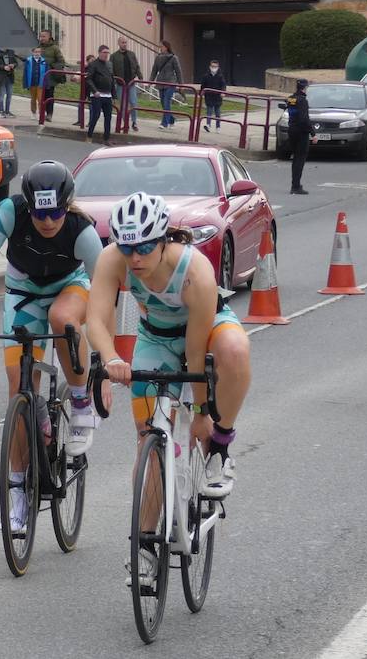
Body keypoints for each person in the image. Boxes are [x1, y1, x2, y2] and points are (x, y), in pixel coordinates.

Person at [85, 191, 252, 583]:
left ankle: (221, 448)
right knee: (150, 442)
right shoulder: (115, 260)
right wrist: (111, 359)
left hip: (204, 329)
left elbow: (195, 352)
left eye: (145, 247)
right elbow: (95, 320)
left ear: (163, 241)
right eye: (128, 247)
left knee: (234, 349)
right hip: (155, 338)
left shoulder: (195, 272)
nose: (135, 258)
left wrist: (201, 414)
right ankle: (144, 544)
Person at [0, 161, 103, 534]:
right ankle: (19, 486)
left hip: (72, 287)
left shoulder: (83, 233)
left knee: (63, 319)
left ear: (67, 206)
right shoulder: (8, 213)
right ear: (27, 206)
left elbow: (108, 297)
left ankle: (80, 400)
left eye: (55, 213)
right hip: (23, 294)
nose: (48, 221)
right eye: (39, 213)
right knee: (18, 385)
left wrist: (104, 364)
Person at [282, 78, 313, 194]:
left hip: (292, 130)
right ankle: (296, 186)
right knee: (300, 159)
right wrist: (313, 133)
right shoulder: (303, 100)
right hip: (301, 133)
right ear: (305, 88)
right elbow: (304, 119)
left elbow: (289, 109)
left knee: (295, 158)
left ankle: (295, 184)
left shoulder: (291, 98)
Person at [85, 45, 116, 145]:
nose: (106, 55)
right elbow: (88, 79)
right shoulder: (93, 64)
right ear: (99, 53)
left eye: (107, 52)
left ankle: (106, 139)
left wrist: (114, 95)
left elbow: (112, 80)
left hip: (107, 95)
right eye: (104, 52)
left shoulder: (109, 64)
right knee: (96, 115)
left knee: (108, 117)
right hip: (97, 94)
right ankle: (89, 135)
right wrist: (94, 91)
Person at [111, 37, 144, 131]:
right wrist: (112, 82)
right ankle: (125, 123)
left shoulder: (131, 54)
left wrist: (140, 77)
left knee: (133, 103)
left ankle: (134, 122)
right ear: (119, 43)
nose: (124, 44)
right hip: (120, 84)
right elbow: (111, 70)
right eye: (122, 42)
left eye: (125, 42)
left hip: (131, 83)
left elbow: (136, 66)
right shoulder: (114, 56)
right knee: (122, 105)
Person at [150, 40, 183, 130]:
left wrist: (181, 84)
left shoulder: (173, 58)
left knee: (166, 101)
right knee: (163, 103)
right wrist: (150, 81)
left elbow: (178, 71)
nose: (160, 48)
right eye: (160, 46)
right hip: (160, 82)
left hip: (170, 82)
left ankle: (164, 123)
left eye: (162, 46)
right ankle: (171, 119)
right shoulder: (158, 57)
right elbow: (154, 70)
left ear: (166, 47)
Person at [38, 29, 66, 121]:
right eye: (40, 36)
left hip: (50, 77)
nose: (41, 38)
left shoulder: (55, 48)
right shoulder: (38, 47)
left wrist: (50, 66)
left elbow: (61, 62)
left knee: (49, 96)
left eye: (43, 36)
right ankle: (42, 113)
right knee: (41, 95)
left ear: (49, 37)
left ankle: (49, 114)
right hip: (40, 76)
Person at [200, 59, 227, 133]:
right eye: (212, 66)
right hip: (209, 96)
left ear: (218, 67)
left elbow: (223, 85)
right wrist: (201, 93)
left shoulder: (220, 76)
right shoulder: (206, 76)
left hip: (217, 97)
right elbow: (203, 85)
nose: (214, 68)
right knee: (209, 111)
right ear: (210, 66)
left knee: (217, 113)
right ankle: (208, 125)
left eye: (215, 66)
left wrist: (223, 92)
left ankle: (218, 127)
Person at [0, 47, 18, 118]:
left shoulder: (11, 52)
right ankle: (1, 111)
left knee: (9, 94)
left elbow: (16, 62)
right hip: (1, 77)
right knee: (2, 94)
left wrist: (13, 65)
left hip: (10, 76)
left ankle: (7, 111)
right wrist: (3, 67)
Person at [23, 46, 48, 116]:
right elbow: (25, 72)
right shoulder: (28, 61)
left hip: (40, 83)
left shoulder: (44, 61)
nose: (37, 53)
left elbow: (47, 73)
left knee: (40, 99)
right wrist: (25, 83)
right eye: (36, 52)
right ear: (33, 52)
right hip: (32, 83)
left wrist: (46, 83)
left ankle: (41, 113)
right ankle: (33, 112)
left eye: (39, 52)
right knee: (33, 99)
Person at [74, 54, 95, 126]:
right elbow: (77, 77)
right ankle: (80, 120)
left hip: (91, 89)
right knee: (80, 104)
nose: (92, 62)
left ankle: (91, 122)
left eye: (93, 60)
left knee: (91, 106)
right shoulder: (84, 68)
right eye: (91, 60)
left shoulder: (94, 68)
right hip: (84, 88)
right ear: (88, 61)